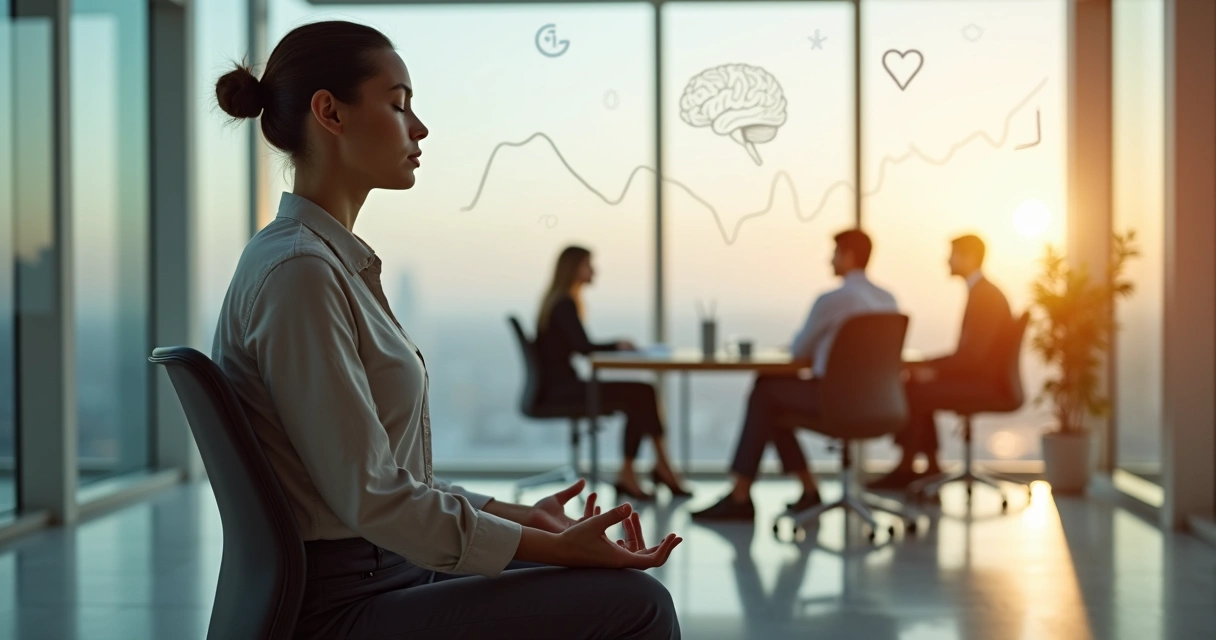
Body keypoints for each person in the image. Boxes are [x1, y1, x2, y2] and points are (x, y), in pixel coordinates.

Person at [209, 21, 681, 640]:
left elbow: (392, 483)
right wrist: (563, 550)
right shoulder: (301, 273)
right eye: (399, 104)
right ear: (330, 113)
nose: (420, 127)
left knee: (622, 595)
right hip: (341, 605)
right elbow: (376, 499)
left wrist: (528, 522)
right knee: (638, 605)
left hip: (381, 568)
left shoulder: (321, 262)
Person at [692, 229, 899, 521]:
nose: (830, 260)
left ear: (849, 256)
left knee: (766, 390)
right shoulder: (888, 298)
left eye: (835, 253)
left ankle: (741, 495)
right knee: (774, 405)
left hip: (836, 401)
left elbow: (801, 349)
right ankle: (807, 490)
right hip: (880, 403)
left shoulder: (833, 299)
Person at [535, 246, 692, 501]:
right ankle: (645, 471)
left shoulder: (558, 301)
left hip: (559, 386)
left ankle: (652, 468)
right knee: (642, 393)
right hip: (563, 390)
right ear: (574, 268)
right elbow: (583, 347)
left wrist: (615, 346)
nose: (594, 270)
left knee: (642, 393)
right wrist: (617, 345)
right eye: (588, 264)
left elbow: (579, 346)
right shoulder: (564, 303)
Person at [868, 234, 1014, 491]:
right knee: (915, 384)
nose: (947, 261)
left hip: (986, 385)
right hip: (983, 378)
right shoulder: (982, 292)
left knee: (913, 390)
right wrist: (926, 367)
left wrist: (929, 368)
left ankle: (907, 468)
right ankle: (930, 466)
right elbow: (971, 354)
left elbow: (972, 358)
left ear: (968, 257)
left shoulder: (985, 296)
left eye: (952, 254)